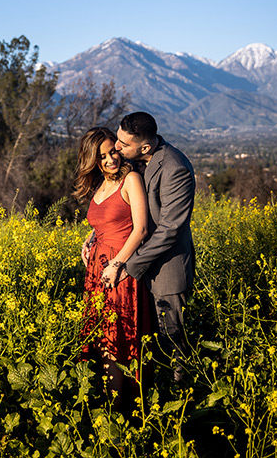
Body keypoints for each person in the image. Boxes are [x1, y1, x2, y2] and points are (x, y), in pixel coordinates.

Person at [96, 111, 195, 382]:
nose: (116, 148)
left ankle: (181, 403)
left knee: (173, 343)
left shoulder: (176, 168)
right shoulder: (137, 162)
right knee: (148, 342)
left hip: (167, 271)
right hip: (141, 270)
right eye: (117, 139)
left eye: (123, 144)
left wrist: (127, 266)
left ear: (146, 147)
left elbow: (170, 230)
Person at [74, 127, 154, 411]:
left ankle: (119, 413)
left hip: (118, 274)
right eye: (103, 156)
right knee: (101, 341)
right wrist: (90, 239)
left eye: (113, 152)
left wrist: (118, 263)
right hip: (97, 271)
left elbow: (141, 228)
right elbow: (103, 223)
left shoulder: (131, 179)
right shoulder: (101, 184)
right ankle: (109, 411)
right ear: (92, 160)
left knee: (116, 341)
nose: (111, 160)